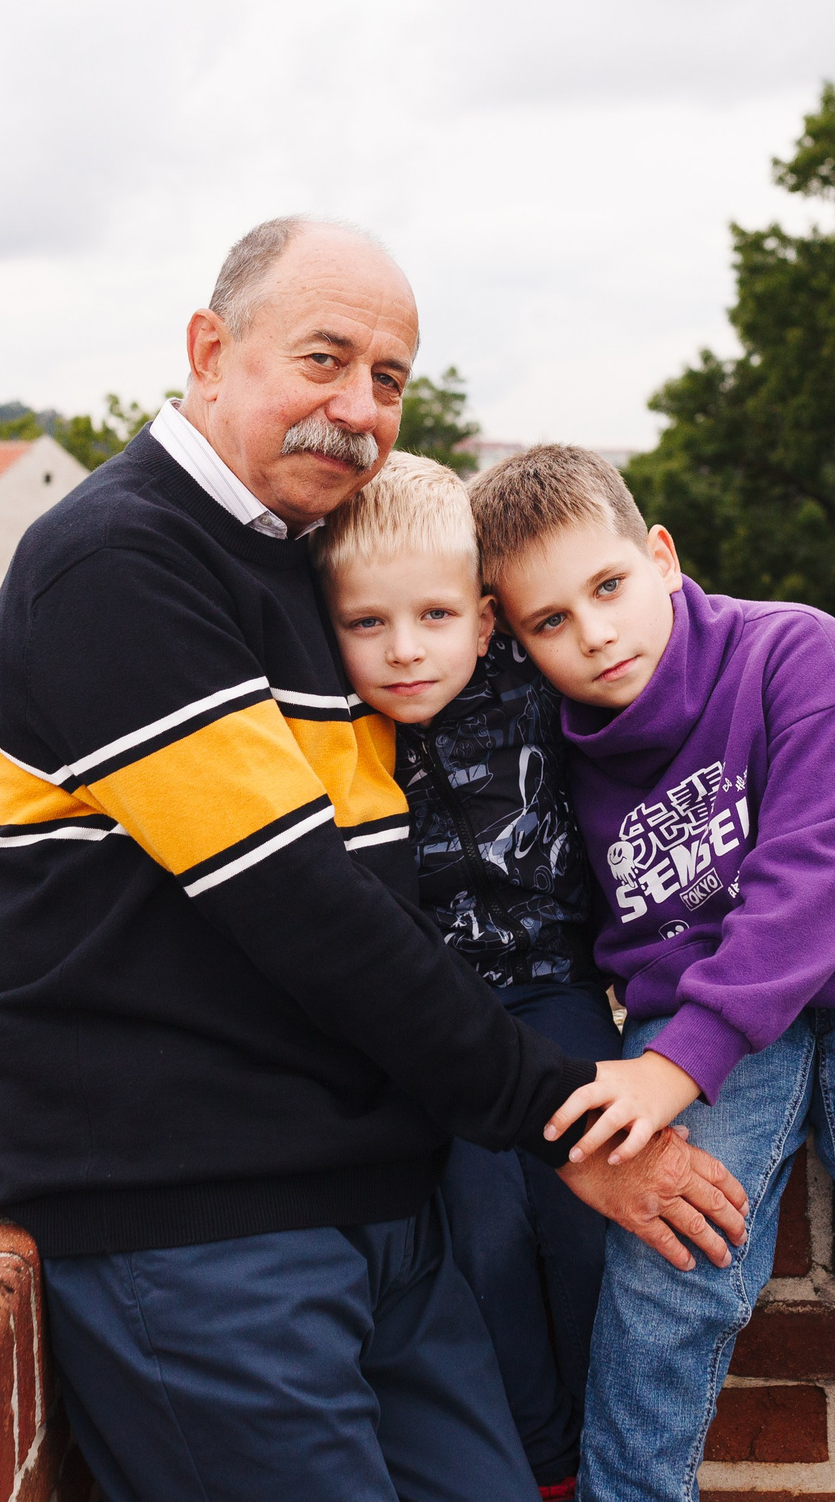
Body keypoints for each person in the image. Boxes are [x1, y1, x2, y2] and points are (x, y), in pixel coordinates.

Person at [0, 219, 748, 1502]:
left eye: (388, 378)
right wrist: (567, 1122)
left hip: (379, 1204)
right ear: (208, 351)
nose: (357, 408)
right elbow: (305, 907)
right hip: (201, 1216)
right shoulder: (117, 563)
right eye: (323, 358)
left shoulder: (310, 563)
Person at [473, 445, 835, 1502]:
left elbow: (822, 875)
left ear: (660, 555)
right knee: (666, 1259)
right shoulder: (548, 746)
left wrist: (674, 1065)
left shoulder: (794, 653)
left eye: (608, 586)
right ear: (517, 636)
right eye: (550, 621)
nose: (594, 633)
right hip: (701, 993)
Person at [318, 453, 618, 1499]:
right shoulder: (336, 729)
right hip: (432, 1020)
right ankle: (541, 1466)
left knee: (589, 1223)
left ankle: (607, 1444)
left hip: (552, 985)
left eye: (436, 616)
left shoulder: (538, 686)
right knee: (483, 1236)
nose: (405, 649)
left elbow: (630, 627)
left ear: (486, 620)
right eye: (367, 622)